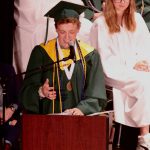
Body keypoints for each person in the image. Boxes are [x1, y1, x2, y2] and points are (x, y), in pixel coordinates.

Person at [19, 1, 107, 116]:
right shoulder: (41, 53)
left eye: (72, 32)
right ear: (56, 29)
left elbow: (97, 93)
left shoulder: (90, 55)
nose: (67, 38)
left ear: (78, 29)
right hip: (48, 123)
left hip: (81, 123)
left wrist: (83, 109)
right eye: (62, 32)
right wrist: (41, 91)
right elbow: (26, 91)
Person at [90, 0, 150, 149]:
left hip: (136, 70)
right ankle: (144, 135)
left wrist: (144, 63)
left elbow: (146, 47)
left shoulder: (137, 19)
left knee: (144, 79)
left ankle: (143, 136)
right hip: (112, 72)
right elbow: (104, 57)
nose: (122, 2)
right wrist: (132, 64)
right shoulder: (101, 24)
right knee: (142, 83)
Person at [13, 0, 93, 74]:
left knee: (87, 27)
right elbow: (31, 14)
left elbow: (76, 7)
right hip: (33, 29)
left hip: (61, 24)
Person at [0, 63, 21, 150]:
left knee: (17, 125)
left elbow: (19, 98)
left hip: (8, 119)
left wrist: (11, 109)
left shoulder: (7, 70)